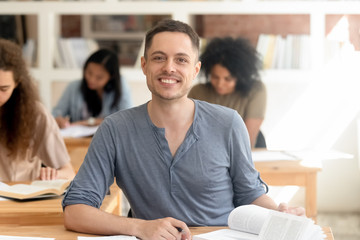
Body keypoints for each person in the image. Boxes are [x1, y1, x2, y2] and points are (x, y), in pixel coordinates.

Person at [62, 19, 304, 240]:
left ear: (195, 70)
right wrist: (139, 227)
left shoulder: (229, 123)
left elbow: (250, 194)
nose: (169, 68)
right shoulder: (115, 129)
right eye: (159, 58)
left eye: (181, 59)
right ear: (144, 66)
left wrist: (279, 212)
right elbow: (75, 212)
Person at [0, 38, 75, 181]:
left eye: (3, 89)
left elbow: (69, 173)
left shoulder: (35, 114)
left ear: (17, 84)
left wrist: (52, 175)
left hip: (18, 199)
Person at [188, 37, 266, 148]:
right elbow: (190, 134)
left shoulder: (256, 90)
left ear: (240, 77)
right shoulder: (198, 91)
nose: (220, 84)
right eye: (215, 77)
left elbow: (247, 139)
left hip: (244, 152)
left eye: (228, 79)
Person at [52, 49, 133, 129]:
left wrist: (89, 122)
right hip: (78, 140)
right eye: (89, 73)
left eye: (99, 77)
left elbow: (126, 120)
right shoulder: (73, 87)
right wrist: (59, 120)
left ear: (111, 77)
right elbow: (56, 113)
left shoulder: (120, 87)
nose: (92, 80)